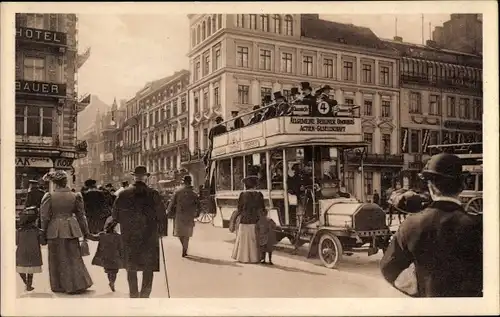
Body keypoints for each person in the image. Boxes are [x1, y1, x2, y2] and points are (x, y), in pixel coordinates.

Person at [380, 153, 483, 297]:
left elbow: (388, 269)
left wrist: (420, 288)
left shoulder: (410, 225)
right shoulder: (478, 227)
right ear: (462, 186)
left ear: (430, 187)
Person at [106, 165, 167, 298]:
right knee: (148, 266)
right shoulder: (153, 193)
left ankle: (133, 294)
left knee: (131, 266)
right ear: (146, 177)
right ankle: (145, 295)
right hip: (149, 235)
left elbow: (115, 215)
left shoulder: (123, 194)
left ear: (133, 177)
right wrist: (162, 232)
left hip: (129, 235)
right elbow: (162, 215)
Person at [39, 170, 94, 294]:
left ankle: (59, 285)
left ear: (54, 183)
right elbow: (81, 216)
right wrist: (86, 232)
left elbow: (45, 217)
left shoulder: (49, 196)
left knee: (56, 258)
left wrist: (43, 233)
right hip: (71, 228)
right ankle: (78, 283)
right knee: (73, 257)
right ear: (65, 182)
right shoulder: (75, 196)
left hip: (54, 229)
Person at [231, 166, 264, 263]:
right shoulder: (259, 194)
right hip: (255, 220)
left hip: (244, 220)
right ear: (255, 185)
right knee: (254, 239)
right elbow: (262, 208)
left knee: (243, 239)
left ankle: (243, 257)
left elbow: (239, 208)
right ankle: (255, 258)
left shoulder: (242, 195)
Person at [167, 175, 201, 257]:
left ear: (183, 182)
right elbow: (198, 205)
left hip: (180, 215)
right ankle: (185, 248)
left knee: (180, 233)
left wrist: (168, 211)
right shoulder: (194, 193)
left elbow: (172, 203)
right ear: (190, 182)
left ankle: (184, 247)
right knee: (187, 234)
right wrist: (197, 213)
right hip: (189, 215)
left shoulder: (178, 192)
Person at [91, 216, 124, 292]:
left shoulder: (103, 235)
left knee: (108, 270)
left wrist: (86, 234)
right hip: (115, 257)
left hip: (105, 257)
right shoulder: (118, 237)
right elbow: (121, 248)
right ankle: (112, 282)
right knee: (114, 271)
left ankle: (110, 281)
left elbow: (93, 238)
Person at [16, 206, 43, 292]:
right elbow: (42, 241)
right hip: (33, 252)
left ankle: (25, 282)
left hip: (21, 253)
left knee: (20, 269)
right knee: (31, 270)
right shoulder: (37, 231)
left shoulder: (19, 231)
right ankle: (29, 284)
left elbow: (16, 242)